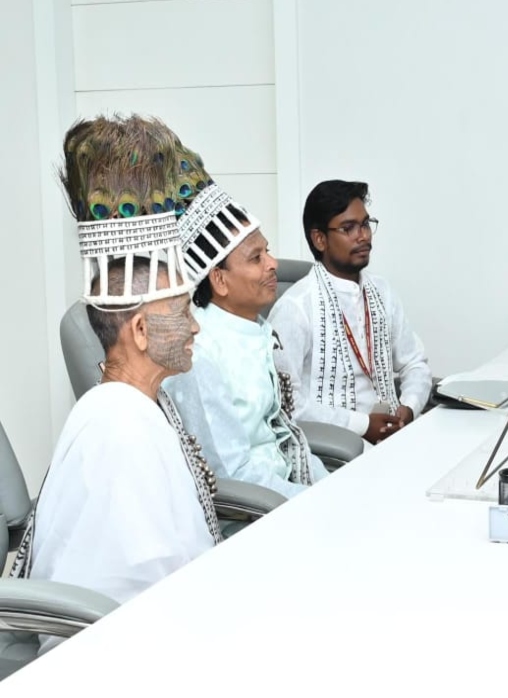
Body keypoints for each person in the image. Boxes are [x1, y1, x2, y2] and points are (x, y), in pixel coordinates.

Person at [11, 116, 222, 636]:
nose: (196, 324)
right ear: (142, 330)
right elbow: (133, 604)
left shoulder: (138, 406)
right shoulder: (120, 428)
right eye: (182, 310)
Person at [162, 148, 329, 497]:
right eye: (256, 258)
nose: (273, 265)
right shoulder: (201, 355)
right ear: (219, 280)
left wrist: (333, 488)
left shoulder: (259, 330)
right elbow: (234, 477)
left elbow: (287, 436)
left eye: (267, 251)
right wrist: (317, 503)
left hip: (288, 492)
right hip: (255, 516)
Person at [269, 180, 432, 444]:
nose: (363, 236)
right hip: (335, 451)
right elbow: (288, 403)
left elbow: (415, 363)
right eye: (348, 228)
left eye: (366, 224)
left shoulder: (382, 292)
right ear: (320, 239)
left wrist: (409, 409)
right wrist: (361, 425)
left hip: (396, 437)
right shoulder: (296, 308)